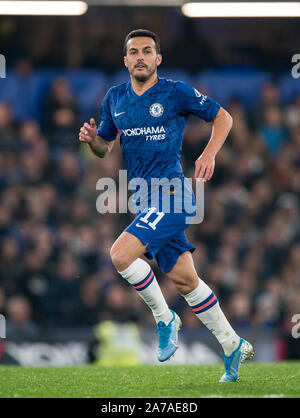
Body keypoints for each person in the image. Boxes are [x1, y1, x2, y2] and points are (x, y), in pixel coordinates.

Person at [78, 29, 253, 382]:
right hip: (144, 200)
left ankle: (164, 319)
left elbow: (224, 118)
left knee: (121, 255)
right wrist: (94, 140)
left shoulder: (175, 92)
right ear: (125, 60)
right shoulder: (115, 99)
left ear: (158, 59)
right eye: (133, 52)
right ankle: (233, 344)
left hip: (172, 195)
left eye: (147, 51)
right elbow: (105, 148)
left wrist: (208, 153)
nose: (140, 56)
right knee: (186, 282)